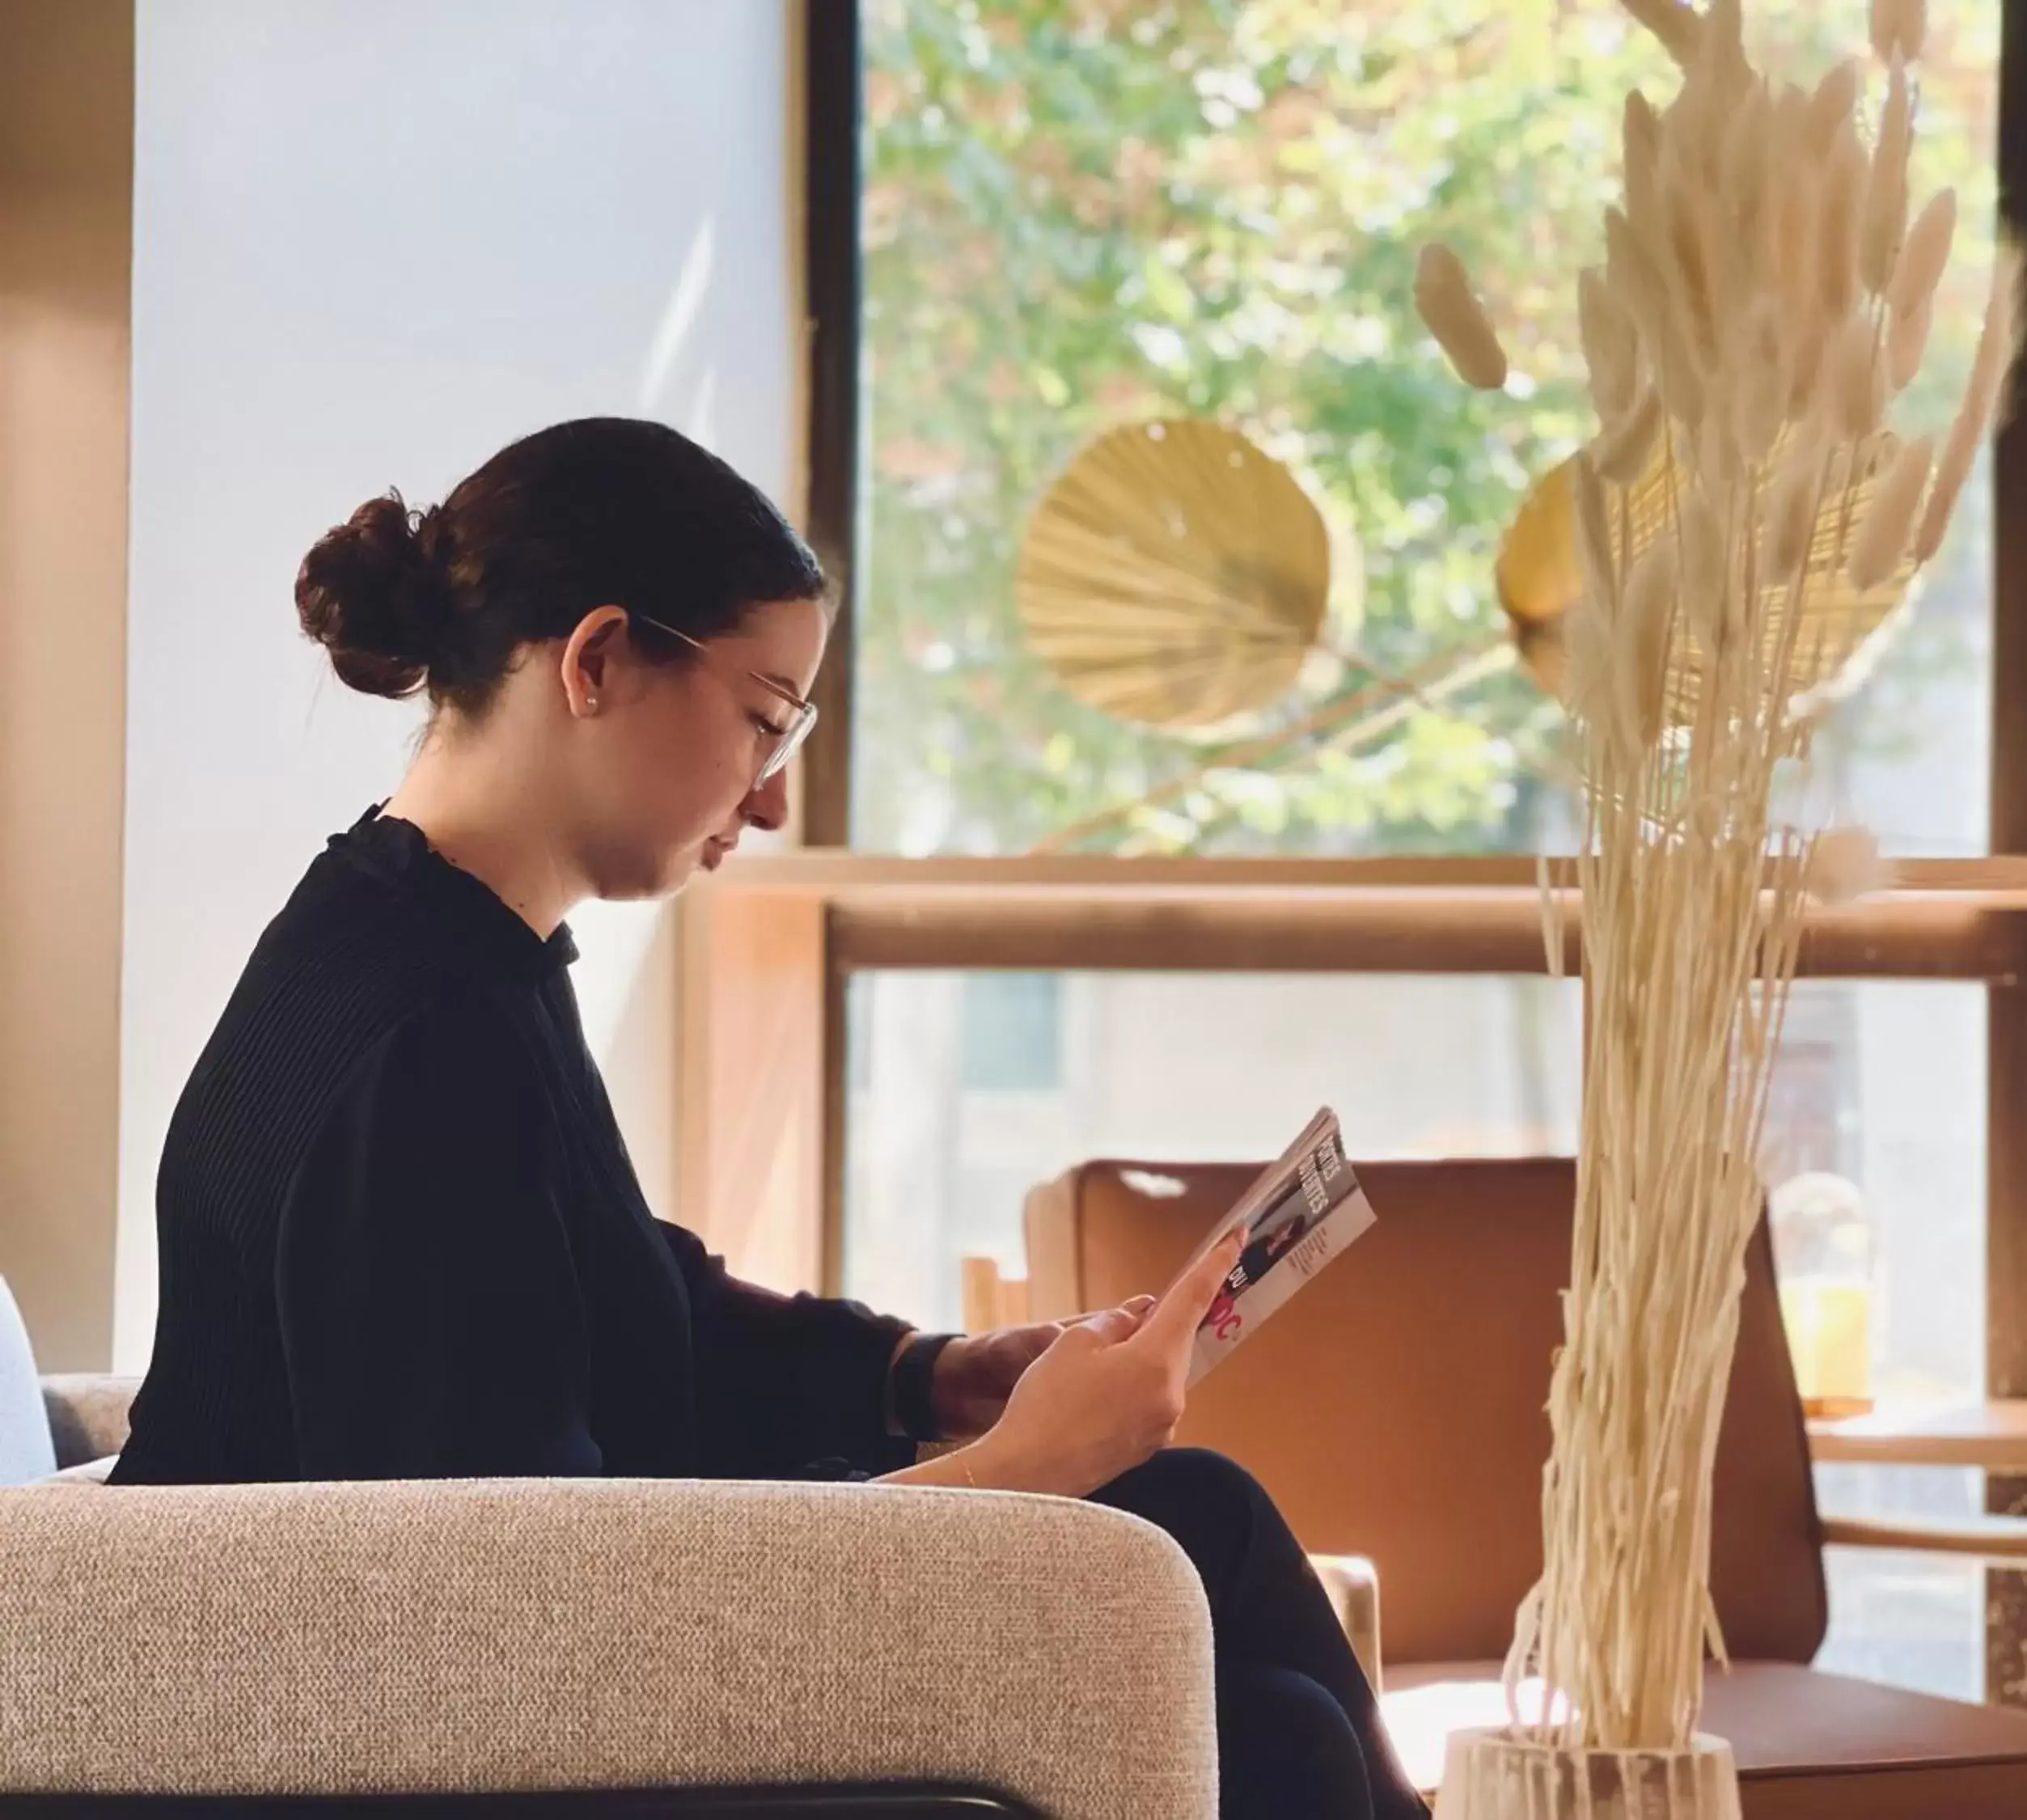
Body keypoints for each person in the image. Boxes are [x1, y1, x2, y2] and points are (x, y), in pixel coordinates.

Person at [110, 417, 1427, 1820]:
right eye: (763, 717)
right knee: (1277, 1730)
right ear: (599, 659)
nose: (779, 794)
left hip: (541, 1645)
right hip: (451, 1745)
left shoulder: (436, 945)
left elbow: (615, 1301)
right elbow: (510, 1626)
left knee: (1214, 1543)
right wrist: (1023, 1470)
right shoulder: (418, 1040)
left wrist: (928, 1374)